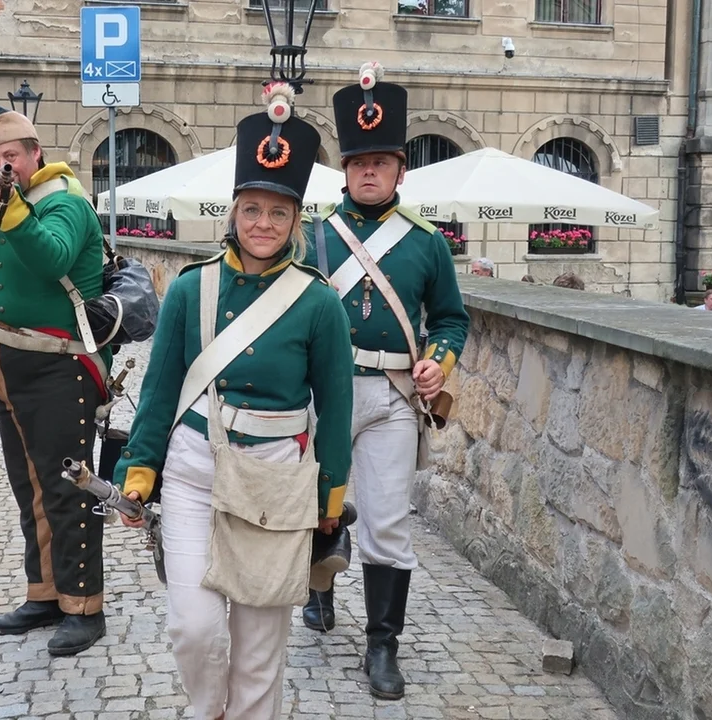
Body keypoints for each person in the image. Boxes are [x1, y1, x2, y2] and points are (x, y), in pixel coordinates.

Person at [113, 84, 355, 720]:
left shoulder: (320, 302)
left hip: (276, 485)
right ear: (233, 212)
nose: (263, 225)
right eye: (252, 210)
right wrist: (140, 470)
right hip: (195, 471)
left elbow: (335, 409)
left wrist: (330, 499)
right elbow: (160, 390)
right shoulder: (191, 289)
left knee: (258, 649)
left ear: (295, 220)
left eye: (278, 213)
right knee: (194, 628)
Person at [300, 61, 470, 701]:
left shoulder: (426, 244)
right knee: (318, 506)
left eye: (381, 161)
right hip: (323, 393)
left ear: (401, 169)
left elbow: (451, 320)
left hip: (395, 395)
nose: (368, 171)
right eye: (357, 162)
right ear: (345, 170)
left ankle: (381, 646)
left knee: (388, 523)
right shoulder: (314, 236)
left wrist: (439, 360)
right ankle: (318, 590)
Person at [0, 103, 110, 656]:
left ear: (36, 154)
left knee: (67, 488)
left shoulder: (64, 200)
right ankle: (44, 593)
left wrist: (8, 203)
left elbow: (51, 255)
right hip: (9, 363)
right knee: (28, 485)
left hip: (57, 366)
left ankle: (84, 606)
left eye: (11, 155)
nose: (3, 165)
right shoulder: (1, 191)